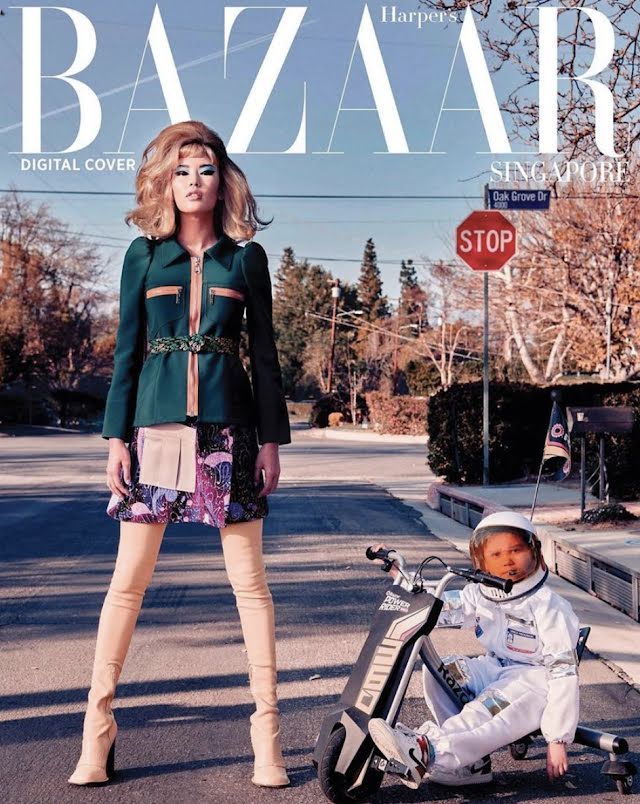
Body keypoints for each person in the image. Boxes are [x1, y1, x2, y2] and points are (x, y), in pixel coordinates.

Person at [68, 121, 291, 789]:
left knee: (250, 586)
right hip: (157, 431)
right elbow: (127, 352)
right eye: (182, 170)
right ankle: (97, 732)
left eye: (206, 169)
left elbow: (266, 358)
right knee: (127, 585)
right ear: (165, 183)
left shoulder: (246, 260)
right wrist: (115, 438)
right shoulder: (144, 257)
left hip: (231, 432)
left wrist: (272, 441)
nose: (194, 181)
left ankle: (267, 738)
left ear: (224, 181)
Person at [368, 511, 580, 789]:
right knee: (440, 670)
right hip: (494, 667)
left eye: (516, 550)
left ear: (534, 552)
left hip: (534, 679)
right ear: (481, 561)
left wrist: (558, 738)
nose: (508, 560)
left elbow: (564, 672)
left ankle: (431, 750)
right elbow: (436, 605)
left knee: (486, 708)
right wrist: (401, 575)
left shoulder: (549, 606)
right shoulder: (482, 593)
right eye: (496, 555)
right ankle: (469, 761)